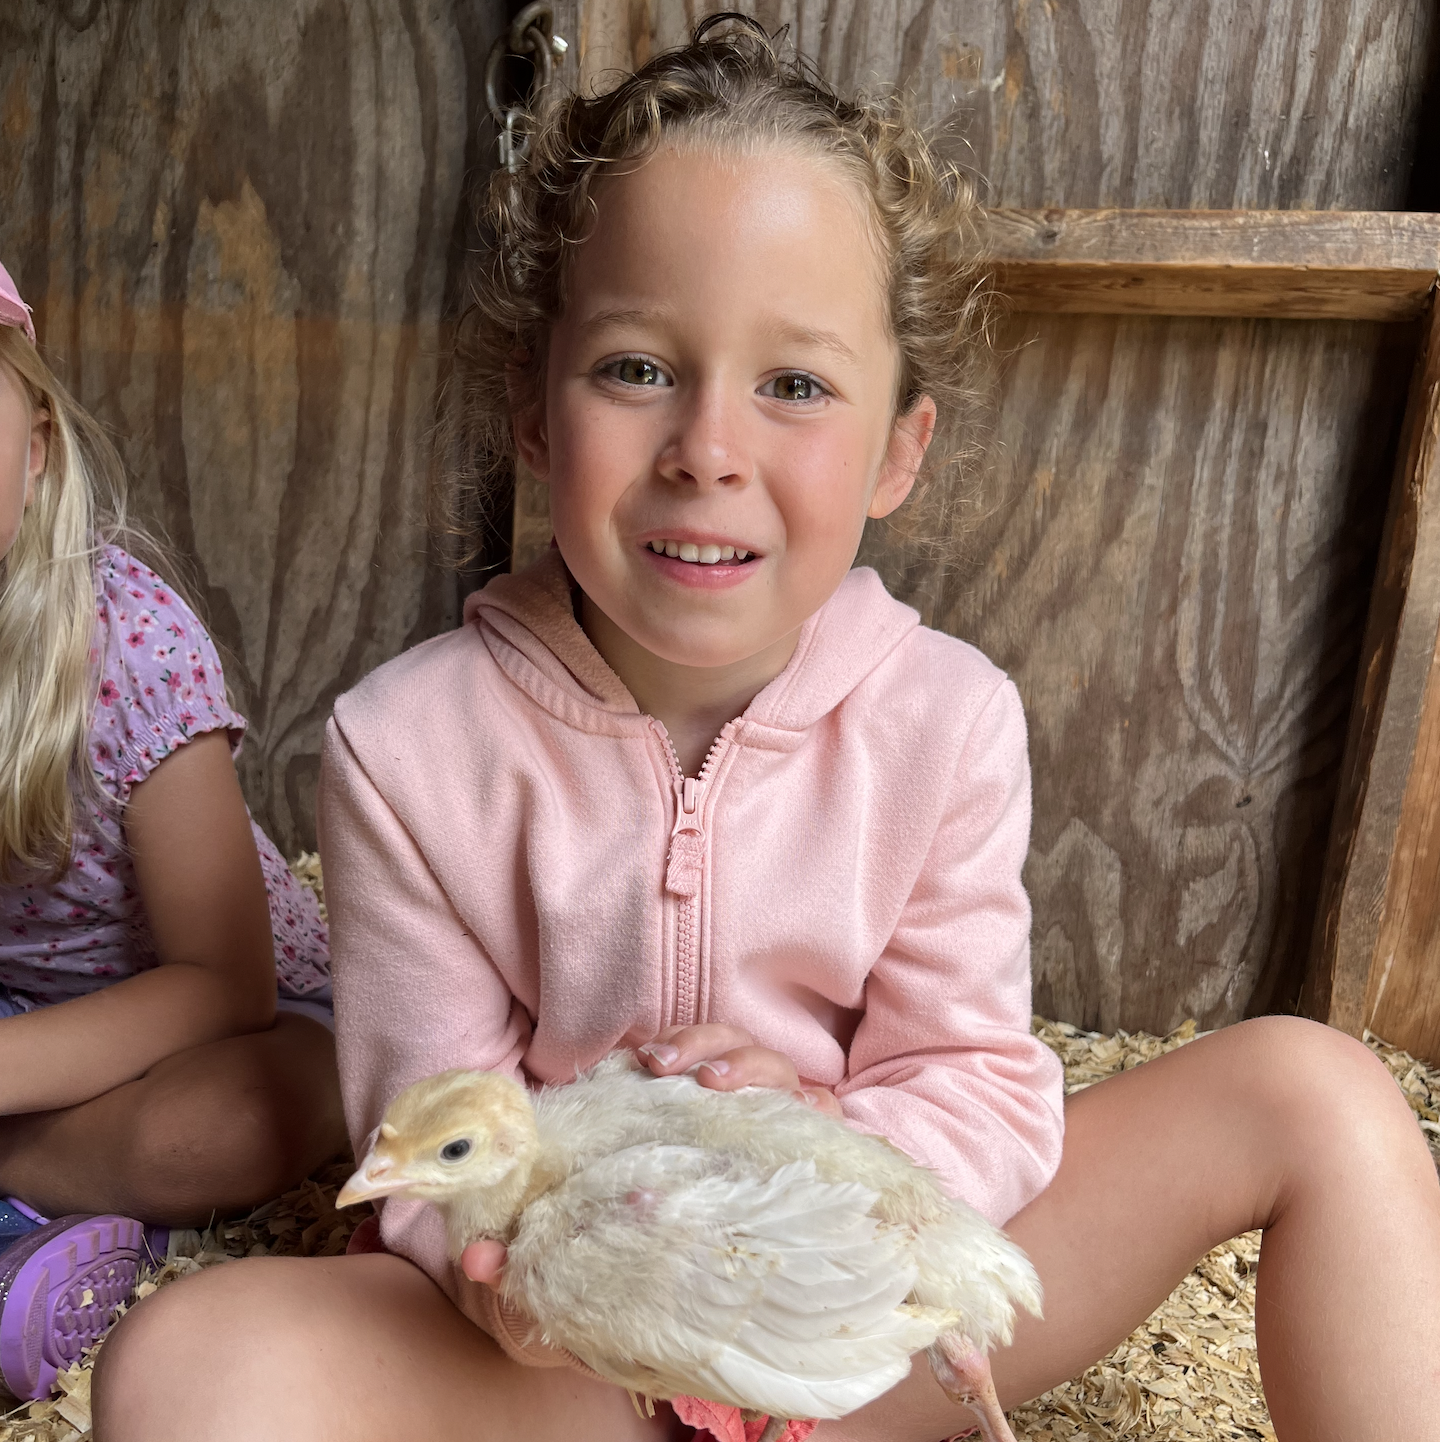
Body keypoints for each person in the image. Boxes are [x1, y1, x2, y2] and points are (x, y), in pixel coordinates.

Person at [93, 18, 1440, 1441]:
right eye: (635, 367)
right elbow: (432, 1137)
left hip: (856, 1328)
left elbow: (974, 1078)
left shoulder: (947, 721)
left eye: (792, 385)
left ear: (895, 452)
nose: (707, 448)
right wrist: (507, 1277)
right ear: (534, 416)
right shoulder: (408, 746)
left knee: (1319, 1092)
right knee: (185, 1366)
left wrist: (820, 1152)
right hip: (573, 1358)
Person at [0, 261, 347, 1399]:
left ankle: (31, 1196)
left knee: (243, 1122)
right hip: (25, 1020)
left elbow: (223, 982)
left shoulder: (128, 644)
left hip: (216, 1019)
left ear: (38, 440)